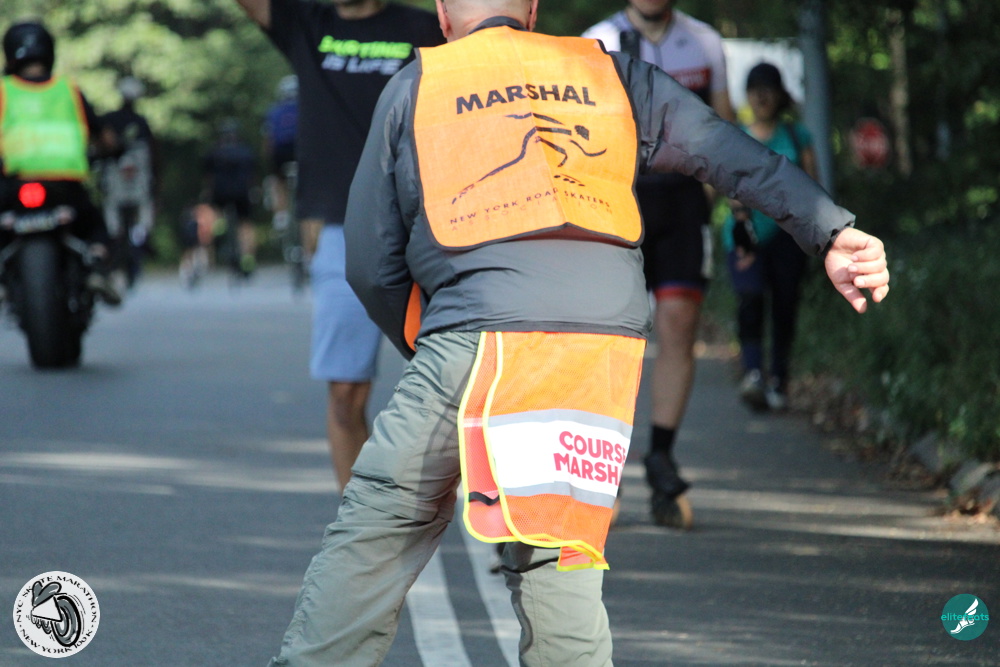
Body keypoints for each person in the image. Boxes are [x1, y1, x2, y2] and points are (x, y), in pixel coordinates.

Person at [265, 1, 891, 665]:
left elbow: (369, 262)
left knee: (380, 520)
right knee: (558, 554)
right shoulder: (610, 74)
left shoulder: (419, 85)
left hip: (475, 331)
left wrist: (432, 347)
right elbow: (728, 152)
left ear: (443, 14)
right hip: (597, 353)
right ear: (533, 10)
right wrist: (830, 230)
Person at [233, 0, 444, 493]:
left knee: (463, 388)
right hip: (342, 228)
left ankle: (492, 514)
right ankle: (360, 523)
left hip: (433, 223)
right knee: (346, 393)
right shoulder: (306, 24)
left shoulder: (428, 28)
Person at [583, 0, 736, 530]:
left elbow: (723, 127)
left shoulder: (705, 42)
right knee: (612, 338)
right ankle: (604, 468)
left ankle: (661, 456)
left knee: (679, 323)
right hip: (620, 201)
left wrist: (738, 209)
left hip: (684, 203)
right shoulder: (597, 41)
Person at [0, 21, 121, 306]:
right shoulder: (68, 90)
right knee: (94, 225)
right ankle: (97, 263)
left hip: (14, 183)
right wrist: (113, 150)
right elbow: (104, 136)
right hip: (64, 183)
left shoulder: (4, 91)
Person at [724, 62, 817, 412]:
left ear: (779, 95)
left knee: (784, 305)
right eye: (755, 90)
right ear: (747, 96)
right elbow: (724, 180)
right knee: (749, 299)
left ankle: (779, 378)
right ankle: (753, 373)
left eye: (768, 90)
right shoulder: (736, 135)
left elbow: (812, 186)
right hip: (746, 234)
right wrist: (741, 219)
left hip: (788, 236)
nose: (762, 97)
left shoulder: (796, 135)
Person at [99, 75, 158, 289]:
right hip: (124, 184)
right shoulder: (139, 123)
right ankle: (135, 242)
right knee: (132, 212)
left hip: (126, 184)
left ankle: (134, 242)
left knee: (123, 212)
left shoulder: (115, 121)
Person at [202, 118, 258, 278]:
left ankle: (219, 231)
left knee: (216, 213)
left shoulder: (214, 151)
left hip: (220, 192)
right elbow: (252, 175)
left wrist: (208, 192)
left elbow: (208, 177)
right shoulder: (245, 150)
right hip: (242, 192)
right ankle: (248, 258)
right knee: (245, 224)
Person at [263, 74, 297, 233]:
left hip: (281, 152)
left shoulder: (273, 111)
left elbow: (268, 139)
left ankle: (281, 214)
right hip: (301, 151)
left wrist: (268, 160)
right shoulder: (307, 107)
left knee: (277, 180)